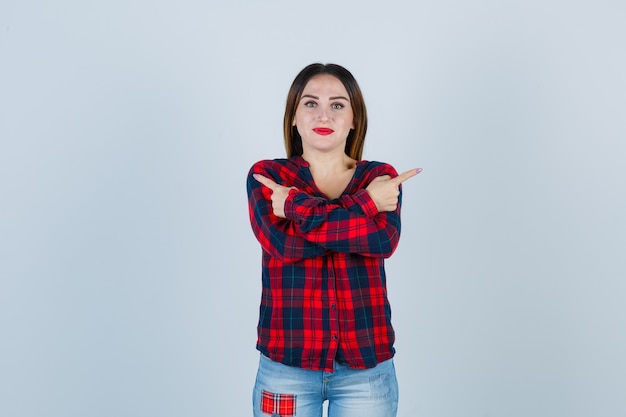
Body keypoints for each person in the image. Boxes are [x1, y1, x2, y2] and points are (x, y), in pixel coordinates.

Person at [247, 63, 421, 417]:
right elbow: (285, 246)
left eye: (338, 105)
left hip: (366, 370)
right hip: (287, 367)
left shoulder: (380, 176)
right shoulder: (268, 176)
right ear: (293, 117)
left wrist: (295, 206)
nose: (323, 114)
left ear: (355, 118)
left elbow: (383, 240)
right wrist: (365, 205)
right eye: (310, 103)